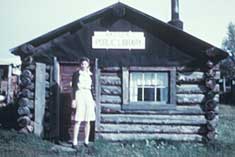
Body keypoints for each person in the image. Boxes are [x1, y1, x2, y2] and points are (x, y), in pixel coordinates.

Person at [71, 57, 96, 148]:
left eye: (85, 64)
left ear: (88, 65)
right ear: (80, 65)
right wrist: (73, 99)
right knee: (78, 119)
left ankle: (86, 141)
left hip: (88, 95)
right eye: (82, 64)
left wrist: (93, 100)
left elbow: (92, 88)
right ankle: (74, 141)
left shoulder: (91, 75)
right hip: (79, 94)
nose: (83, 65)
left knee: (88, 120)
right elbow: (73, 88)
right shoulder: (76, 74)